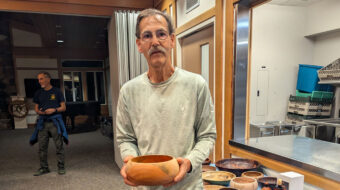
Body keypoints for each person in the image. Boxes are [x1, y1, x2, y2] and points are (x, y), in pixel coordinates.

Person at [116, 8, 216, 189]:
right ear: (139, 44)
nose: (154, 42)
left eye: (161, 34)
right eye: (147, 36)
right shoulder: (128, 91)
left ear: (171, 40)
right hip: (145, 184)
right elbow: (126, 139)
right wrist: (130, 158)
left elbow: (207, 135)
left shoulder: (195, 84)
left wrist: (189, 162)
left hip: (187, 186)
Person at [30, 71, 68, 176]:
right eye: (38, 79)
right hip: (42, 123)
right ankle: (44, 168)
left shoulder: (57, 91)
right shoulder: (38, 93)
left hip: (54, 123)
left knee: (58, 146)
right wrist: (39, 111)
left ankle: (61, 167)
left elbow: (63, 107)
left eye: (41, 79)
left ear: (48, 79)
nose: (39, 81)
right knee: (42, 147)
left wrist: (54, 110)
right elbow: (36, 108)